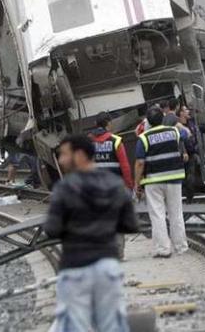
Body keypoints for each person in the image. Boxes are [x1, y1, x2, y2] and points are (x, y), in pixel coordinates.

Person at [43, 135, 138, 332]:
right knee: (112, 325)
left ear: (79, 155)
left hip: (75, 267)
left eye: (64, 155)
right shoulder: (114, 184)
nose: (60, 160)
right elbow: (130, 225)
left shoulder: (65, 187)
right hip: (107, 266)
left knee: (75, 326)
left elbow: (51, 230)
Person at [134, 106, 189, 258]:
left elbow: (139, 163)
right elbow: (187, 134)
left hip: (153, 181)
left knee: (157, 215)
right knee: (176, 213)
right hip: (174, 178)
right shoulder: (174, 132)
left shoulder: (144, 138)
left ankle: (163, 249)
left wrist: (137, 183)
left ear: (148, 122)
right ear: (162, 118)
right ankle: (181, 247)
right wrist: (178, 123)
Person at [89, 112, 133, 190]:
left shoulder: (89, 141)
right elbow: (125, 166)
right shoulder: (115, 140)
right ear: (108, 123)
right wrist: (129, 185)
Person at [177, 105, 201, 202]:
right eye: (186, 110)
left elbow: (195, 138)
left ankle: (189, 197)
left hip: (191, 153)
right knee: (181, 175)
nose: (188, 111)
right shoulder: (177, 125)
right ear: (181, 113)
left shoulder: (191, 123)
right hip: (181, 153)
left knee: (190, 175)